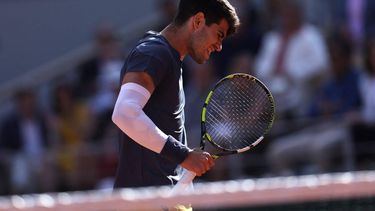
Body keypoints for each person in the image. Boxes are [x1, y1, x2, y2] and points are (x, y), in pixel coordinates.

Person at [111, 0, 240, 189]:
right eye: (219, 35)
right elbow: (124, 112)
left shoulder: (169, 58)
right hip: (144, 201)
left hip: (166, 198)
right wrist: (184, 155)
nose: (219, 46)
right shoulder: (154, 53)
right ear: (198, 21)